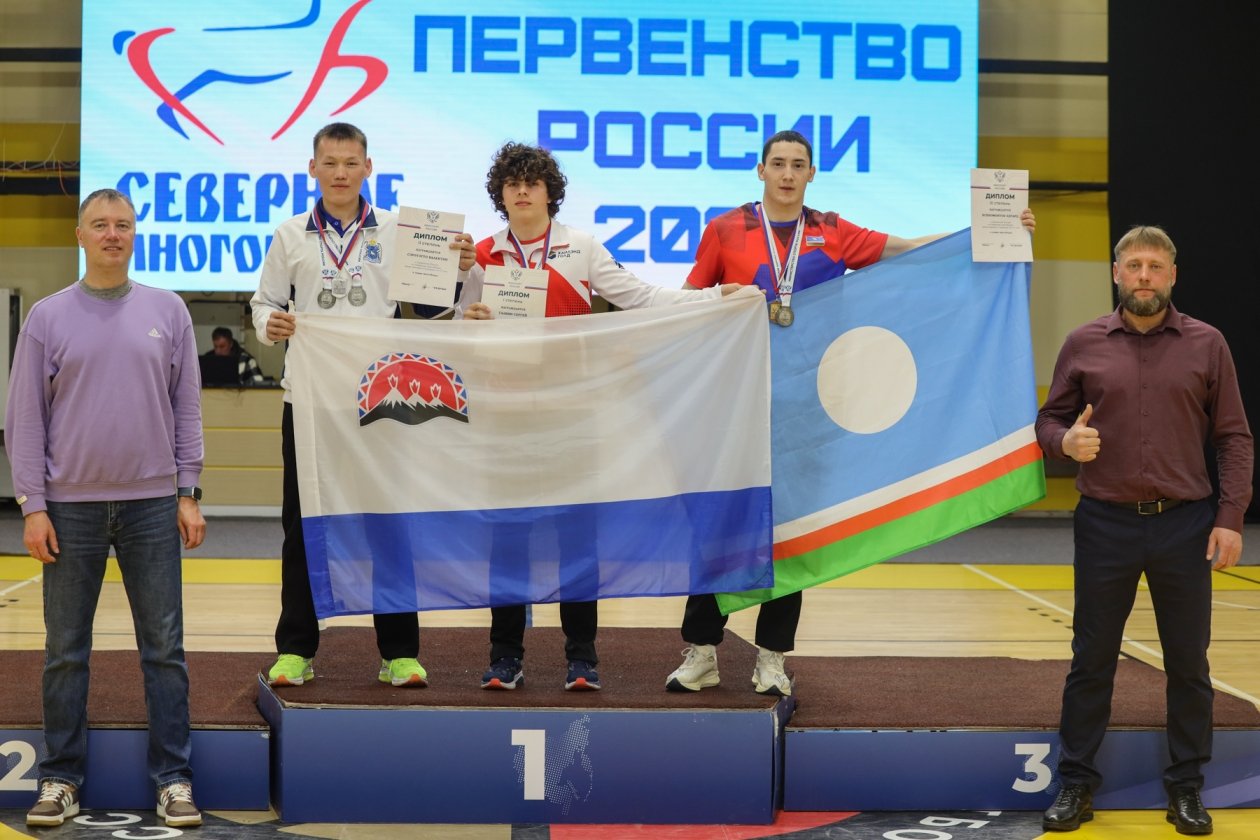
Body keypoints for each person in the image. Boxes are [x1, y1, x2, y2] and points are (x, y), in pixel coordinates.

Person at [666, 130, 1037, 697]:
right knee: (720, 525)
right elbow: (688, 299)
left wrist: (989, 234)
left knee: (794, 531)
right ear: (760, 170)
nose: (787, 174)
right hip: (737, 402)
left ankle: (771, 658)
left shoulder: (832, 231)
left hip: (808, 410)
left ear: (811, 174)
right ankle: (702, 652)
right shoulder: (725, 229)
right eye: (778, 164)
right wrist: (722, 299)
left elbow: (908, 250)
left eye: (798, 165)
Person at [459, 141, 744, 691]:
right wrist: (467, 321)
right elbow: (454, 328)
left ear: (550, 192)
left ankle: (582, 658)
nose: (522, 191)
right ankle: (504, 657)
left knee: (577, 540)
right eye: (513, 183)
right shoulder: (484, 256)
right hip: (506, 416)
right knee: (509, 539)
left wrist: (713, 298)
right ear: (501, 194)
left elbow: (641, 297)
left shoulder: (582, 247)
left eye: (533, 182)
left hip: (573, 414)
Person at [1035, 225, 1252, 835]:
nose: (1144, 277)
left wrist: (1230, 517)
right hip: (1104, 525)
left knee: (1188, 663)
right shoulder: (1083, 342)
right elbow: (1047, 421)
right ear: (1116, 273)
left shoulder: (1208, 344)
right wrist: (1065, 442)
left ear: (1173, 275)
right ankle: (1076, 783)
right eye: (1134, 266)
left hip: (1186, 525)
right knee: (1091, 659)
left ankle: (1186, 788)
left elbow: (1234, 437)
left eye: (1155, 266)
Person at [5, 188, 207, 828]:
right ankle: (60, 777)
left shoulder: (168, 310)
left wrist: (188, 491)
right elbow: (25, 419)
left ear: (135, 234)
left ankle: (174, 779)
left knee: (164, 649)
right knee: (65, 650)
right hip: (70, 511)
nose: (112, 233)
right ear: (80, 235)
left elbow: (186, 406)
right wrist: (33, 505)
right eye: (100, 224)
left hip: (153, 505)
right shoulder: (47, 318)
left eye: (122, 224)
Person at [250, 122, 475, 689]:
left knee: (388, 525)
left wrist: (457, 273)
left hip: (381, 400)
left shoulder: (401, 231)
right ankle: (295, 649)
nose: (341, 173)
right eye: (330, 163)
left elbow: (429, 311)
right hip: (309, 400)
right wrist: (269, 324)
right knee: (302, 525)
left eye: (351, 163)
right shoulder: (289, 234)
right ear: (313, 168)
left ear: (368, 168)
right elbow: (264, 302)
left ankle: (399, 652)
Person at [201, 326, 266, 385]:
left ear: (231, 344)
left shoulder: (246, 360)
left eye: (222, 346)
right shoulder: (208, 359)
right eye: (215, 346)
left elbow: (259, 385)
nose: (218, 351)